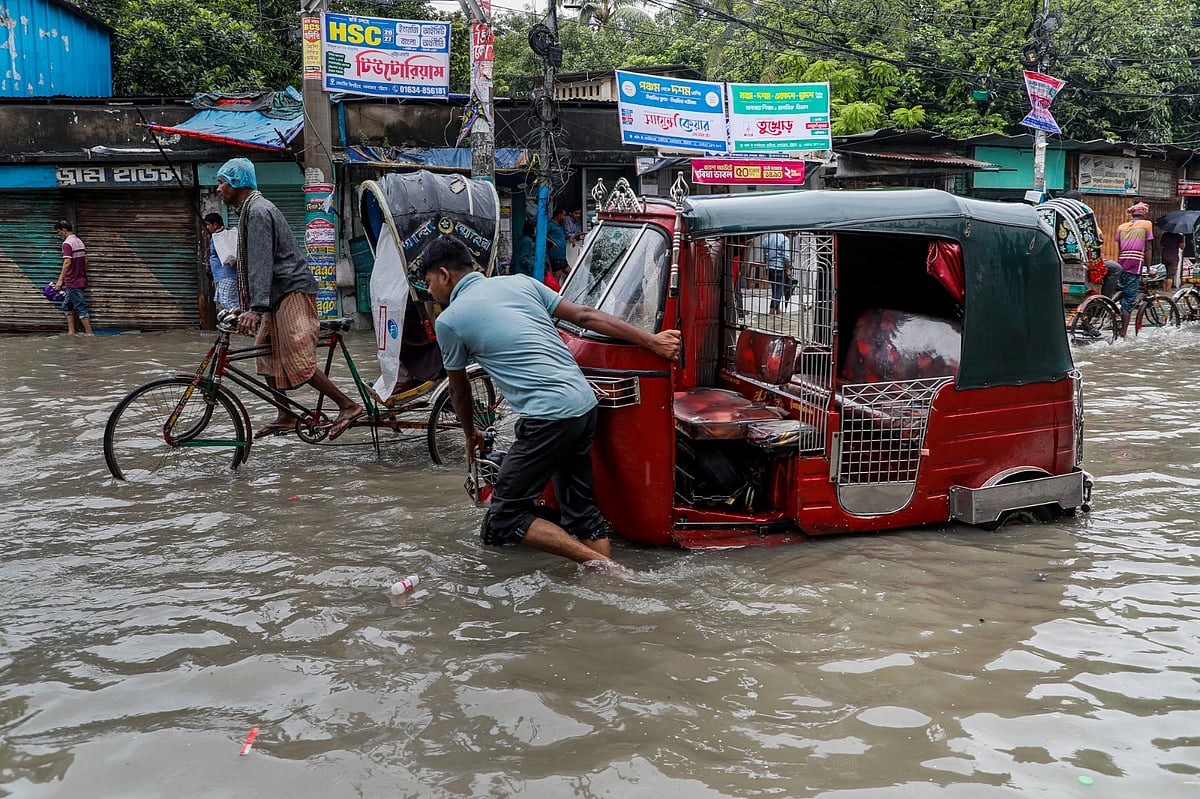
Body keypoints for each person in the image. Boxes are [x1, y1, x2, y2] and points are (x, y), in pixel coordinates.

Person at [419, 236, 681, 565]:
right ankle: (606, 581)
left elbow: (459, 391)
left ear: (444, 275)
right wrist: (652, 341)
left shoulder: (449, 322)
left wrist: (470, 433)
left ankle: (604, 567)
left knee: (504, 518)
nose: (429, 290)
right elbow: (585, 316)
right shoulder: (520, 283)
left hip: (548, 419)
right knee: (581, 511)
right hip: (584, 406)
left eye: (428, 281)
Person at [215, 157, 363, 439]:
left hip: (292, 289)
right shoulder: (250, 210)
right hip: (276, 294)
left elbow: (261, 262)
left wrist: (255, 309)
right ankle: (285, 415)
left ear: (236, 183)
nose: (218, 189)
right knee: (265, 353)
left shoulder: (258, 211)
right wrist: (247, 306)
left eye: (222, 182)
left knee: (297, 357)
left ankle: (348, 405)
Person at [1114, 202, 1154, 337]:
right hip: (1134, 264)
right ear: (1143, 213)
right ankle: (1123, 334)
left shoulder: (1121, 227)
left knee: (1122, 290)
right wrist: (1148, 268)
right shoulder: (1146, 224)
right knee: (1129, 301)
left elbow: (1120, 249)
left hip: (1121, 263)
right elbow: (1148, 248)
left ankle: (1109, 306)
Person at [52, 220, 94, 336]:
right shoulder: (79, 241)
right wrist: (81, 272)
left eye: (59, 232)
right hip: (80, 279)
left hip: (73, 281)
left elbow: (67, 262)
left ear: (64, 231)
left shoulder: (67, 244)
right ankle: (71, 332)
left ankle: (90, 334)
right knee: (67, 306)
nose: (59, 234)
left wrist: (60, 280)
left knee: (80, 306)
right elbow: (85, 260)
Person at [203, 212, 239, 310]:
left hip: (228, 274)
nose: (207, 227)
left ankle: (238, 320)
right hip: (220, 275)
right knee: (219, 299)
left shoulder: (222, 236)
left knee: (227, 301)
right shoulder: (217, 236)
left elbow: (230, 251)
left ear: (215, 224)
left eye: (208, 224)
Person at [761, 231, 792, 314]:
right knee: (779, 291)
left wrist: (766, 266)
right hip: (779, 267)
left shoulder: (766, 239)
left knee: (775, 289)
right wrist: (788, 268)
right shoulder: (784, 239)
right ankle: (771, 312)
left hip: (769, 267)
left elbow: (764, 256)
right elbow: (786, 257)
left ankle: (778, 311)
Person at [546, 208, 569, 283]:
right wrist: (551, 242)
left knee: (571, 274)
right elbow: (542, 235)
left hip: (562, 255)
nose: (564, 217)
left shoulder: (560, 225)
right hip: (556, 255)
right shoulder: (550, 224)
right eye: (564, 215)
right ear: (559, 215)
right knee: (556, 278)